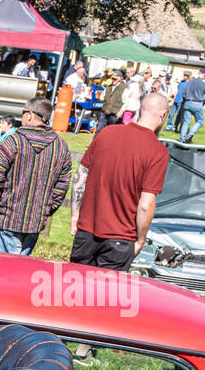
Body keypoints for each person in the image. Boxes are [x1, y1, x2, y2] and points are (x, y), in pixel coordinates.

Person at [69, 92, 170, 270]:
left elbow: (80, 177)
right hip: (121, 238)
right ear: (162, 116)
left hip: (86, 232)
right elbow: (146, 204)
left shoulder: (107, 132)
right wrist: (141, 239)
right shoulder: (157, 151)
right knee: (106, 297)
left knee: (75, 294)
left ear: (140, 109)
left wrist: (75, 217)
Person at [0, 97, 73, 256]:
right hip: (35, 221)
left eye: (22, 113)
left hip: (9, 218)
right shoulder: (60, 146)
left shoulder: (13, 141)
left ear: (29, 115)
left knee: (7, 271)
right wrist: (46, 210)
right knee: (22, 269)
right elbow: (62, 186)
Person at [179, 69, 205, 143]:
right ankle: (190, 134)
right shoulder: (203, 83)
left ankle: (182, 139)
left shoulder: (190, 82)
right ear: (204, 75)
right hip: (197, 103)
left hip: (188, 102)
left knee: (186, 122)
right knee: (200, 121)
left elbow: (183, 93)